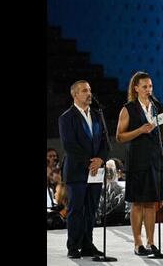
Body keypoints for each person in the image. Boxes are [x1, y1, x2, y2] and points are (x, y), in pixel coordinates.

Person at [116, 71, 163, 256]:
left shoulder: (158, 107)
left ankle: (151, 243)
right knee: (138, 204)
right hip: (137, 161)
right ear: (135, 88)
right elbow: (119, 136)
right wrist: (140, 130)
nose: (148, 89)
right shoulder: (128, 109)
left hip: (155, 161)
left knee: (152, 204)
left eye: (150, 86)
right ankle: (138, 244)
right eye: (144, 86)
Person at [58, 80, 109, 258]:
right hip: (77, 171)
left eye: (89, 90)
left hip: (95, 171)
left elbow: (105, 142)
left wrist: (101, 159)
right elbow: (70, 146)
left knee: (91, 210)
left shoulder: (97, 114)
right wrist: (91, 162)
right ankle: (73, 246)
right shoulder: (66, 117)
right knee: (76, 210)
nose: (89, 94)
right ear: (75, 95)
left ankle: (88, 244)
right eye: (84, 91)